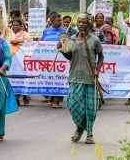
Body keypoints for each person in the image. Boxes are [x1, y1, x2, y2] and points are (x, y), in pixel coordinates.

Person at [57, 13, 104, 144]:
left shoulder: (94, 40)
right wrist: (61, 50)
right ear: (76, 24)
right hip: (75, 77)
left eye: (84, 22)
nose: (82, 24)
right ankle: (79, 127)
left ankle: (89, 133)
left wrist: (97, 70)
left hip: (90, 78)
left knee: (90, 108)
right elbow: (70, 57)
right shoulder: (71, 39)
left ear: (89, 24)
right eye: (79, 22)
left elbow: (101, 57)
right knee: (73, 105)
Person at [41, 12, 66, 108]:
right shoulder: (46, 31)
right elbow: (42, 43)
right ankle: (51, 98)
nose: (60, 22)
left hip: (60, 60)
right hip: (48, 60)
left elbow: (66, 44)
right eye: (58, 20)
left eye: (61, 20)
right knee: (50, 79)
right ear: (51, 21)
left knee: (59, 79)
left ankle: (56, 100)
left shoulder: (64, 31)